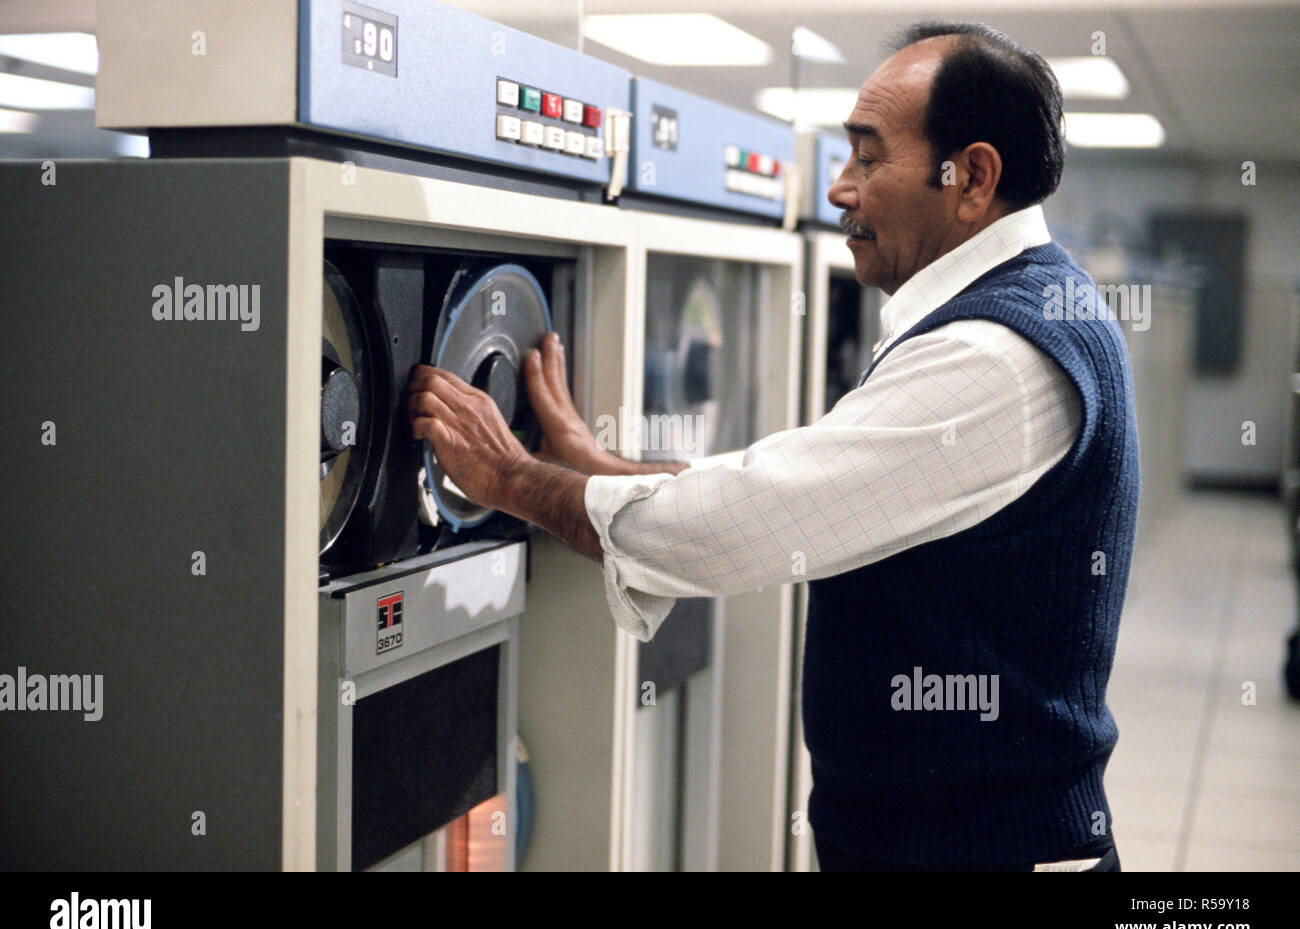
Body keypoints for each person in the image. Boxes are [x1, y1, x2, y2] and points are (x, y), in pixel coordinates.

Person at [408, 21, 1139, 872]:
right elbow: (800, 486)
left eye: (869, 158)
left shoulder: (994, 357)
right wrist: (590, 462)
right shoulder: (1030, 311)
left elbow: (740, 523)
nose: (839, 189)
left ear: (970, 177)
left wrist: (512, 477)